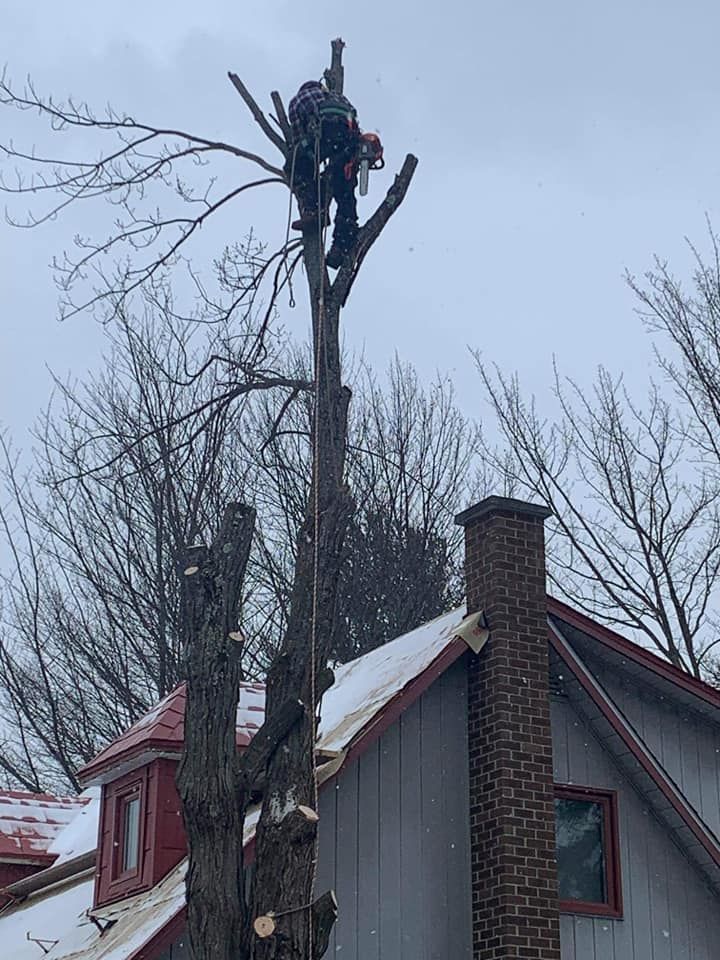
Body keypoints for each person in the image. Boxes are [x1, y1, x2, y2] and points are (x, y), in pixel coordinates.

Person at [287, 80, 361, 269]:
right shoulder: (339, 97)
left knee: (295, 165)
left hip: (326, 135)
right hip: (350, 142)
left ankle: (313, 211)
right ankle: (342, 246)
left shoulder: (298, 100)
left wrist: (306, 155)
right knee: (345, 193)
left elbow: (298, 137)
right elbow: (355, 121)